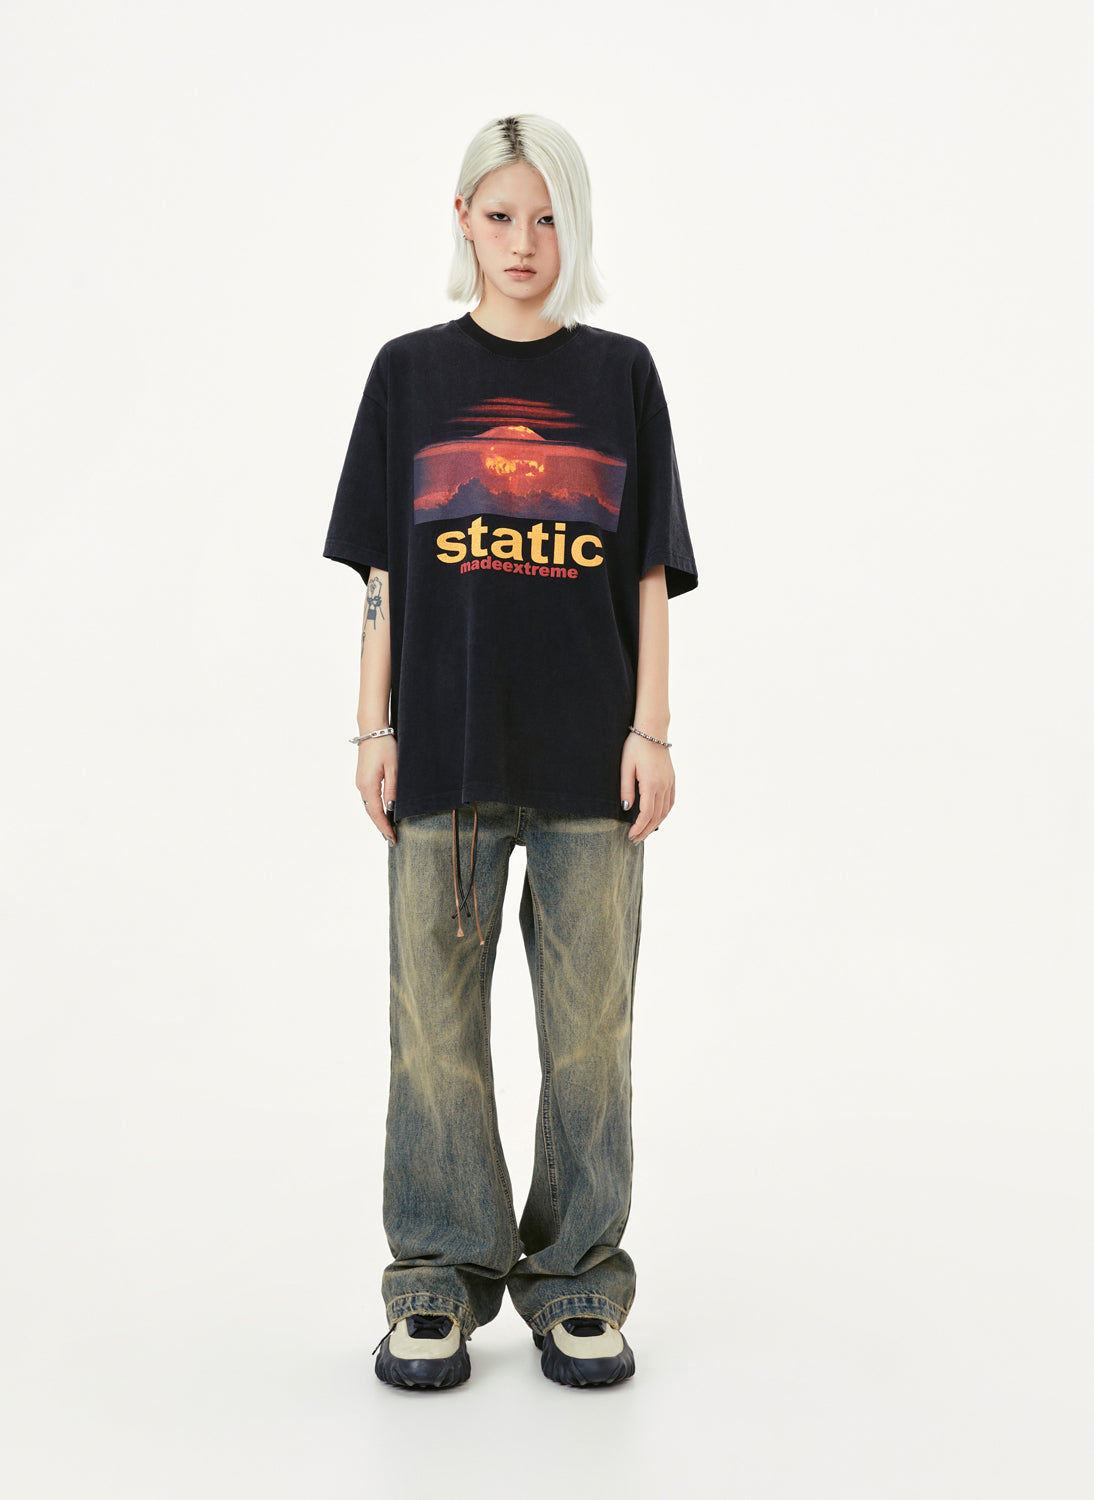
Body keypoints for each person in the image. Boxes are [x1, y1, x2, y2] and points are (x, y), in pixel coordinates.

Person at [322, 113, 699, 1390]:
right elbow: (382, 573)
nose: (523, 242)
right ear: (462, 222)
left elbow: (647, 569)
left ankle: (577, 1278)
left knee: (589, 1035)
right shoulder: (408, 374)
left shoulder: (620, 375)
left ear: (571, 226)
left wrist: (651, 729)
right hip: (443, 747)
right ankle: (435, 1276)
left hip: (592, 759)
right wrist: (371, 725)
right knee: (432, 1029)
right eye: (499, 216)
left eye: (545, 217)